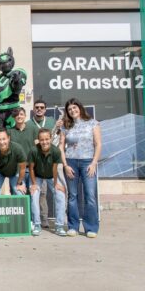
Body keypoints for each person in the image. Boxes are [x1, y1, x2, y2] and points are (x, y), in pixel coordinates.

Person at [59, 98, 101, 238]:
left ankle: (91, 228)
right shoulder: (65, 126)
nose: (72, 111)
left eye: (74, 108)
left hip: (88, 163)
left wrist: (94, 163)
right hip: (71, 163)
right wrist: (65, 165)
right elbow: (61, 147)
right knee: (72, 196)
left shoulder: (92, 123)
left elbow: (98, 144)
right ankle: (73, 227)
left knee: (90, 196)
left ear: (80, 108)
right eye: (70, 109)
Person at [27, 98, 63, 228]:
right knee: (40, 193)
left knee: (58, 191)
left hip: (52, 161)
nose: (39, 109)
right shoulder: (29, 124)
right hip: (37, 163)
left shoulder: (52, 121)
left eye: (42, 107)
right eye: (37, 107)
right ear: (33, 109)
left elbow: (58, 137)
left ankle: (59, 221)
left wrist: (58, 128)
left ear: (45, 109)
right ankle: (43, 219)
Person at [29, 128, 67, 237]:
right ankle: (37, 224)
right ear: (38, 140)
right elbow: (31, 168)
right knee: (34, 194)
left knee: (60, 195)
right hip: (37, 176)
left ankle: (59, 226)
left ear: (50, 139)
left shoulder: (55, 151)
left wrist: (56, 184)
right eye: (42, 140)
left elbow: (55, 169)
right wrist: (34, 184)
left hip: (51, 176)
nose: (44, 142)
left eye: (46, 139)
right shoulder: (33, 150)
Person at [0, 128, 27, 196]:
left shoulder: (17, 148)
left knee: (20, 193)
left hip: (15, 172)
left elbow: (23, 168)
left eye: (4, 139)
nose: (2, 142)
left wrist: (19, 183)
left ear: (8, 138)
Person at [8, 107, 39, 187]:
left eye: (21, 114)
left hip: (32, 168)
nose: (19, 116)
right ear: (13, 117)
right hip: (17, 169)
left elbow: (38, 147)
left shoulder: (34, 129)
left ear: (25, 116)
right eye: (16, 115)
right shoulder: (9, 132)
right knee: (19, 193)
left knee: (34, 192)